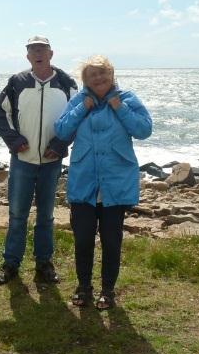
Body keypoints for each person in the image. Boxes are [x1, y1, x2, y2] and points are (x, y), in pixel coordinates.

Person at [54, 55, 152, 310]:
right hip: (84, 182)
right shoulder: (78, 101)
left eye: (102, 73)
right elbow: (62, 131)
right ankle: (83, 287)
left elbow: (144, 130)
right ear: (85, 80)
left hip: (115, 183)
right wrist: (82, 107)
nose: (98, 78)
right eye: (92, 75)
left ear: (111, 75)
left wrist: (120, 107)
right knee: (83, 239)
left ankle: (108, 291)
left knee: (111, 241)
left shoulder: (127, 99)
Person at [0, 35, 78, 285]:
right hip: (22, 159)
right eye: (33, 49)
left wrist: (60, 144)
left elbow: (76, 116)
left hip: (52, 162)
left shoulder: (66, 82)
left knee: (46, 216)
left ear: (51, 53)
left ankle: (44, 264)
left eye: (42, 49)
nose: (38, 53)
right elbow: (1, 112)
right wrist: (14, 140)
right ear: (27, 55)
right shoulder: (17, 82)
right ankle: (11, 264)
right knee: (17, 214)